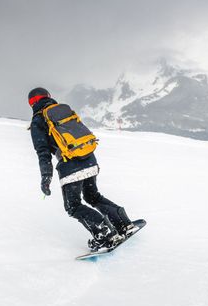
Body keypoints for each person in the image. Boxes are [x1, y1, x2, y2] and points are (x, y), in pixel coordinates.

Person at [28, 87, 135, 250]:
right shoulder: (62, 111)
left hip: (70, 166)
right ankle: (123, 223)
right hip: (89, 158)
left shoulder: (38, 121)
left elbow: (43, 153)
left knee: (73, 206)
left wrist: (46, 177)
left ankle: (105, 233)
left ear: (32, 103)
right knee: (93, 196)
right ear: (48, 97)